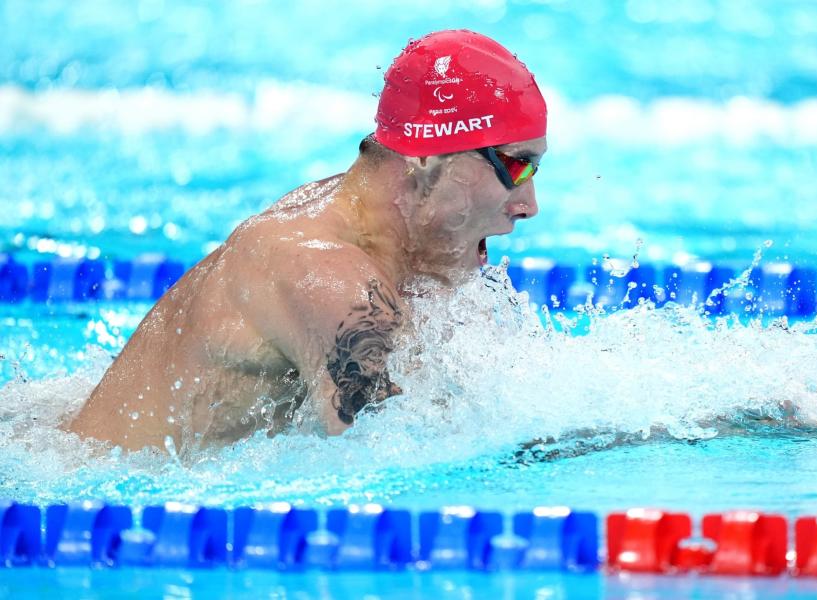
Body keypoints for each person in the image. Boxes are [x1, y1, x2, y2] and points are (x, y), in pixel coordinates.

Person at [68, 30, 548, 451]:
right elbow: (402, 455)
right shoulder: (332, 280)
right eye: (514, 166)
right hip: (102, 502)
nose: (528, 204)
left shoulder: (360, 217)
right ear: (426, 161)